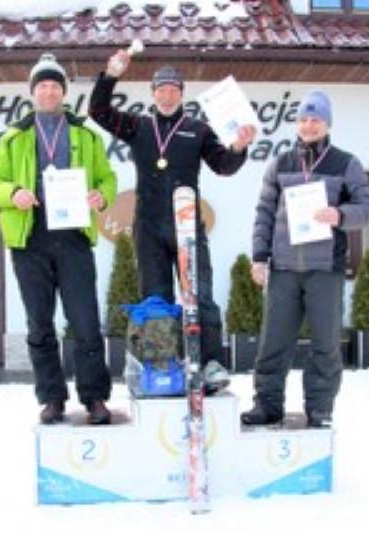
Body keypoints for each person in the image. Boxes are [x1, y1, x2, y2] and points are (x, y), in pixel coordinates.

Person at [90, 50, 257, 392]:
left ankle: (211, 364)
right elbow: (99, 111)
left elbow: (223, 166)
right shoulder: (138, 126)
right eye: (161, 89)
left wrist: (239, 147)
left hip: (188, 227)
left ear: (182, 93)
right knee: (157, 301)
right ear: (153, 93)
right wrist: (110, 76)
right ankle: (162, 366)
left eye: (173, 89)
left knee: (201, 296)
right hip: (149, 228)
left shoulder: (198, 130)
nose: (167, 95)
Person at [0, 53, 117, 425]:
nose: (48, 91)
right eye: (41, 85)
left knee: (85, 321)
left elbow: (107, 178)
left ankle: (94, 397)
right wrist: (13, 193)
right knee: (39, 323)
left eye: (54, 85)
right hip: (30, 237)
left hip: (74, 236)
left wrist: (102, 196)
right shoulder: (13, 137)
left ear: (63, 91)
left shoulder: (86, 134)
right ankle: (52, 397)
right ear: (32, 92)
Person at [241, 91, 369, 428]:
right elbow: (264, 213)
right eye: (303, 119)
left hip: (325, 269)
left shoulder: (346, 163)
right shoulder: (280, 163)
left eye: (315, 119)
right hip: (284, 268)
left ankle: (320, 409)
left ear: (327, 124)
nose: (308, 125)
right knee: (273, 342)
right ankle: (267, 405)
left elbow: (366, 208)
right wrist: (259, 257)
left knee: (325, 345)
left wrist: (340, 215)